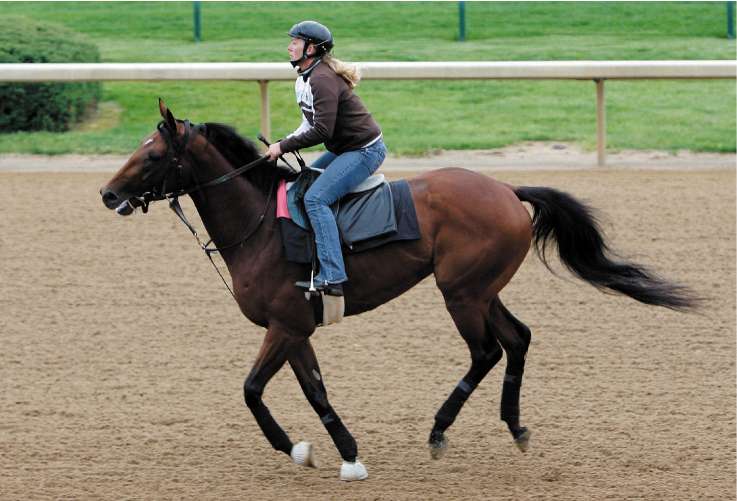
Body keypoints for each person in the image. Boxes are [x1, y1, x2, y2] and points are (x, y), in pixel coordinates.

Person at [265, 20, 387, 297]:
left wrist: (282, 147)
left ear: (311, 48)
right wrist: (281, 143)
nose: (289, 46)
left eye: (295, 42)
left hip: (364, 151)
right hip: (345, 148)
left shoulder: (321, 80)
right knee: (302, 183)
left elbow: (322, 130)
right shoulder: (304, 78)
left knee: (315, 198)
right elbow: (308, 123)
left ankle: (333, 275)